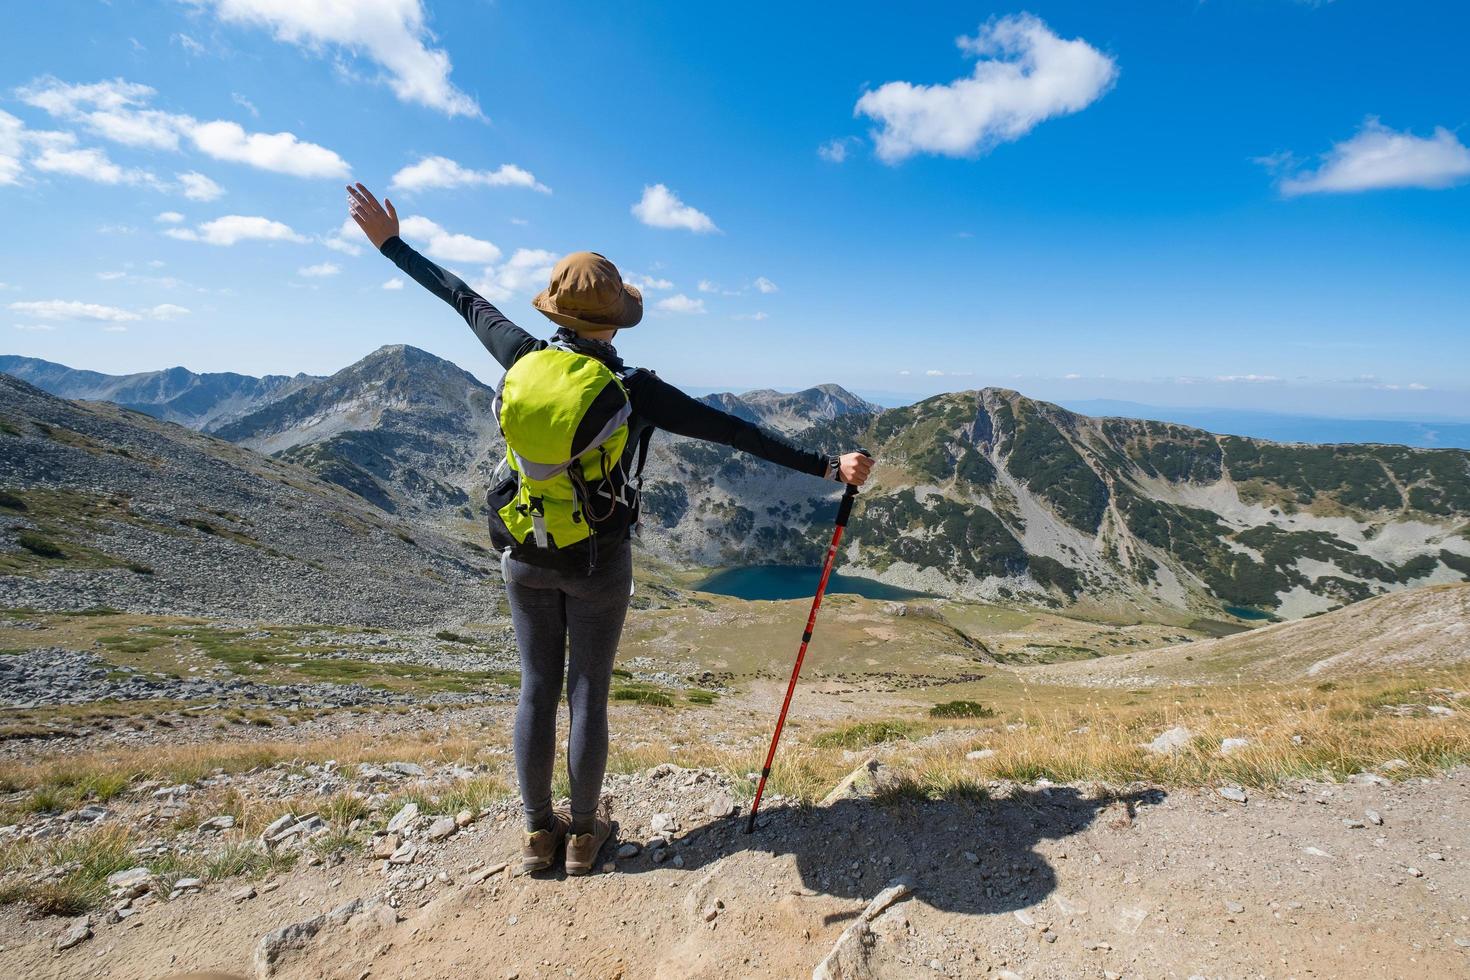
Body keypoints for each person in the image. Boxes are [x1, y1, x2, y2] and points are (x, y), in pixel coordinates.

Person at [347, 183, 873, 875]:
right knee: (587, 689)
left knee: (537, 686)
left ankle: (538, 834)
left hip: (522, 549)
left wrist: (391, 242)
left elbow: (463, 297)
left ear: (556, 313)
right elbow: (736, 434)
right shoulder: (637, 390)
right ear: (616, 323)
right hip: (598, 559)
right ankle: (585, 836)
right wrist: (827, 467)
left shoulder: (521, 355)